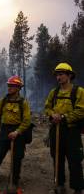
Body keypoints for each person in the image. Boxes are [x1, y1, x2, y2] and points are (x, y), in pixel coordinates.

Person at [44, 62, 84, 194]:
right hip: (56, 130)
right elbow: (47, 108)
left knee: (75, 160)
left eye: (61, 74)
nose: (58, 77)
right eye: (57, 75)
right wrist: (52, 115)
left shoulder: (79, 91)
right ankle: (59, 186)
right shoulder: (53, 92)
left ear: (69, 75)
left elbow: (81, 111)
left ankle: (78, 189)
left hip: (72, 131)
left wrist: (64, 117)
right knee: (57, 158)